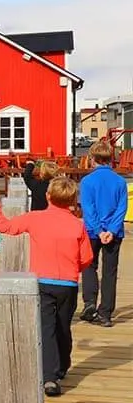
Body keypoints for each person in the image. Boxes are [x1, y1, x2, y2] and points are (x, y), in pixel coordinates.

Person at [0, 178, 93, 397]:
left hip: (41, 283)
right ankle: (62, 366)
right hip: (68, 284)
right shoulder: (78, 225)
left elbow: (4, 226)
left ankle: (50, 378)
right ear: (73, 200)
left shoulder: (36, 219)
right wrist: (73, 266)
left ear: (48, 197)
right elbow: (87, 259)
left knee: (46, 328)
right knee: (63, 326)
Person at [79, 140, 127, 328]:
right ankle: (105, 312)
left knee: (89, 266)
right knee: (110, 272)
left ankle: (90, 302)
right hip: (114, 233)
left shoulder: (87, 181)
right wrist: (112, 230)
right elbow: (122, 208)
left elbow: (88, 210)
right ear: (110, 159)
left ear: (93, 159)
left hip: (92, 231)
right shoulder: (120, 181)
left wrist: (99, 231)